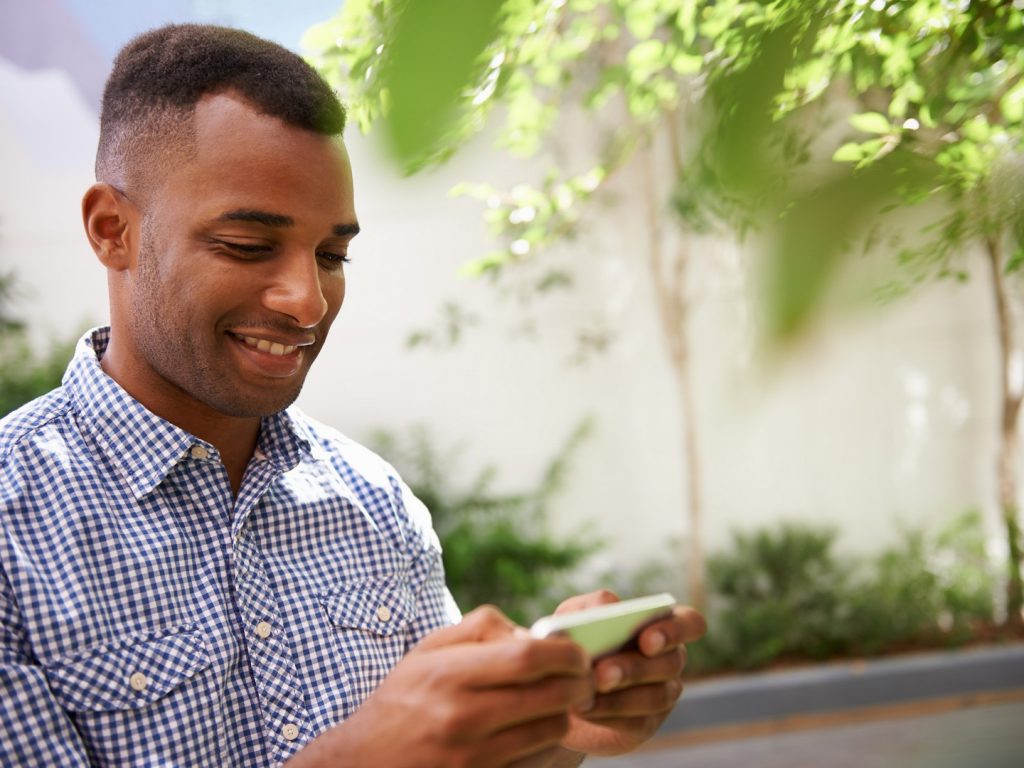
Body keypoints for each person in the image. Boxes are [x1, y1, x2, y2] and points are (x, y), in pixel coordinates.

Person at [0, 24, 705, 768]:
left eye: (333, 255)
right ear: (113, 231)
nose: (307, 301)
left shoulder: (376, 501)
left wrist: (557, 728)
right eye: (247, 245)